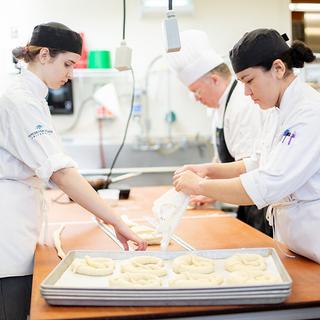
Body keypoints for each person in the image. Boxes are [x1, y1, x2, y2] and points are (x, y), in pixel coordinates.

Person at [0, 22, 147, 320]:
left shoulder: (31, 97)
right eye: (67, 64)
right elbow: (61, 173)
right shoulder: (18, 101)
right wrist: (117, 222)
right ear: (43, 55)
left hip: (21, 220)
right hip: (8, 235)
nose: (70, 75)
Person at [173, 28, 320, 264]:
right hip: (295, 246)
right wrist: (208, 170)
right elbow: (257, 163)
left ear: (278, 68)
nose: (246, 92)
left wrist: (200, 186)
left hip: (314, 243)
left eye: (249, 81)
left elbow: (269, 182)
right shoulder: (277, 110)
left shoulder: (309, 113)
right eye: (241, 82)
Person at [166, 29, 271, 236]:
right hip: (246, 203)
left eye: (196, 91)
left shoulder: (242, 105)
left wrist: (203, 186)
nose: (196, 98)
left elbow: (250, 168)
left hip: (260, 206)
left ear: (214, 79)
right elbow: (222, 161)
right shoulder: (219, 108)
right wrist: (209, 190)